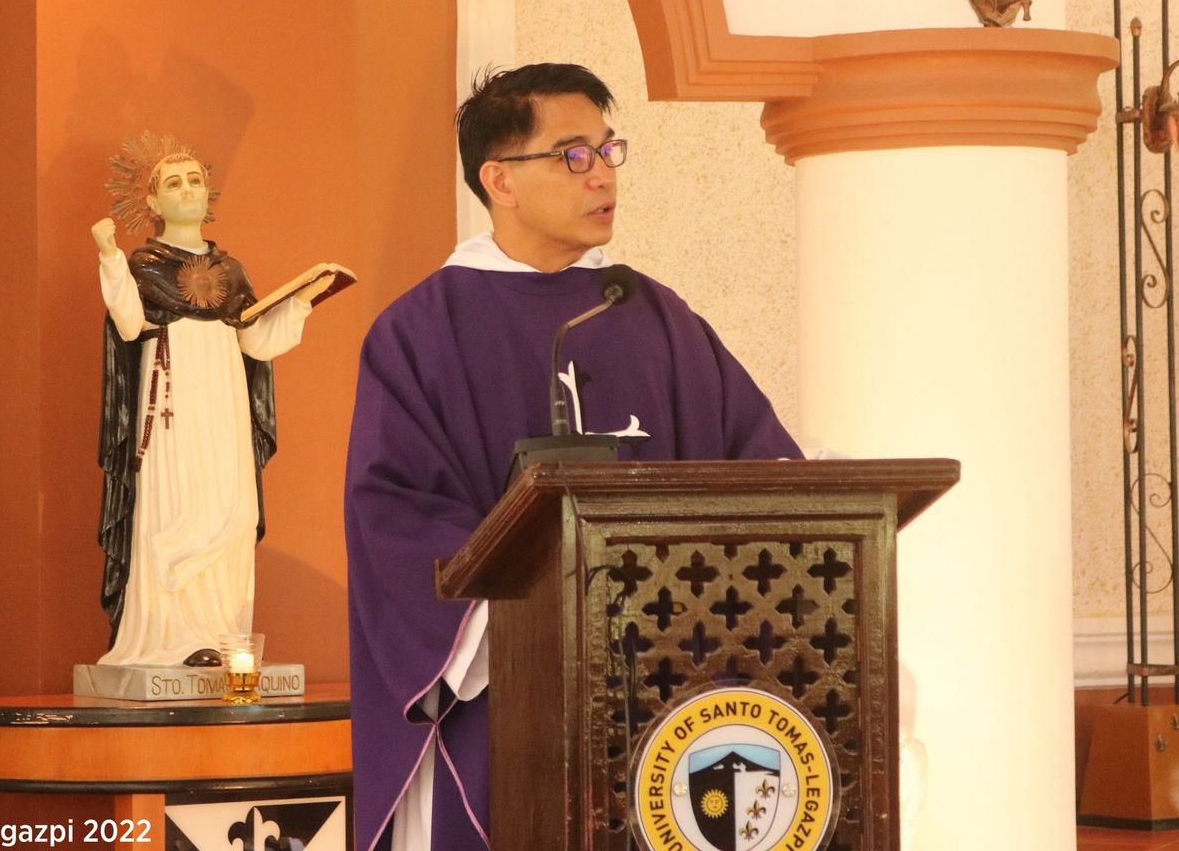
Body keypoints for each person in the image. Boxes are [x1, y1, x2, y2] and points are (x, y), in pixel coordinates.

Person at [343, 64, 801, 851]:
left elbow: (760, 467)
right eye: (572, 155)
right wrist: (528, 619)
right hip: (510, 700)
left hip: (671, 694)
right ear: (500, 181)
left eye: (606, 149)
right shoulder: (422, 330)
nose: (601, 176)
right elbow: (396, 512)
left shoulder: (654, 315)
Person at [93, 136, 333, 667]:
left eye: (195, 180)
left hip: (224, 403)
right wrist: (110, 257)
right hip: (171, 403)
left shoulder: (232, 272)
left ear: (208, 194)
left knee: (232, 510)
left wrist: (301, 302)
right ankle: (172, 641)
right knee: (178, 509)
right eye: (173, 183)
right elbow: (129, 324)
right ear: (152, 202)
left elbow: (256, 342)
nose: (187, 190)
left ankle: (225, 634)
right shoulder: (143, 266)